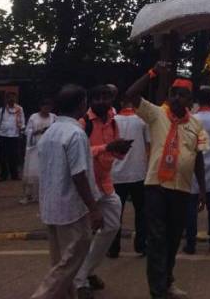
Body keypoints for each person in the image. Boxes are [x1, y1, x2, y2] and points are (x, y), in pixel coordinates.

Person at [123, 63, 209, 299]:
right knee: (157, 239)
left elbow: (199, 156)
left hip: (181, 189)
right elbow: (130, 95)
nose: (178, 99)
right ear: (169, 96)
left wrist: (201, 189)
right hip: (156, 187)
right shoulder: (156, 114)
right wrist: (152, 74)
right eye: (174, 94)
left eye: (184, 95)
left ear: (191, 100)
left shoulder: (196, 125)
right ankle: (158, 292)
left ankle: (167, 282)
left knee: (172, 239)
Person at [29, 85, 103, 299]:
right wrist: (94, 208)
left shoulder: (50, 132)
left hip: (51, 207)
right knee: (68, 264)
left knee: (60, 263)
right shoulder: (75, 134)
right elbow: (78, 174)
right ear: (81, 104)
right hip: (71, 210)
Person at [74, 85, 132, 298]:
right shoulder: (83, 123)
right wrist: (106, 149)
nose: (101, 101)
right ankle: (80, 280)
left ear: (111, 99)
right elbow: (79, 153)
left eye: (105, 97)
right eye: (97, 97)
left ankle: (86, 272)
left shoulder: (113, 122)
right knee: (83, 235)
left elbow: (112, 155)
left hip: (105, 184)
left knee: (112, 226)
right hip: (85, 186)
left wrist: (120, 150)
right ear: (91, 100)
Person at [183, 88, 210, 254]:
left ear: (197, 101)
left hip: (193, 169)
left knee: (190, 209)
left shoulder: (191, 119)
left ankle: (190, 243)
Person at [109, 93, 151, 258]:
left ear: (120, 103)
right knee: (141, 212)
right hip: (138, 173)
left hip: (116, 173)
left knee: (115, 213)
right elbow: (148, 145)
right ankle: (141, 245)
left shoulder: (112, 122)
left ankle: (113, 247)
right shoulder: (141, 121)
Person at [21, 98, 57, 205]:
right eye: (44, 106)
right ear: (40, 107)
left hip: (49, 148)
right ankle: (29, 195)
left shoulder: (54, 117)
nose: (46, 108)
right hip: (34, 147)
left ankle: (44, 195)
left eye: (49, 106)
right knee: (32, 171)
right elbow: (27, 131)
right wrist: (39, 131)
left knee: (46, 172)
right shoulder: (34, 117)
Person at [0, 92, 25, 181]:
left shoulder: (20, 109)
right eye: (9, 97)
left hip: (14, 135)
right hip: (3, 135)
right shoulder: (2, 109)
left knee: (14, 156)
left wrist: (21, 131)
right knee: (2, 156)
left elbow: (22, 121)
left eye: (13, 97)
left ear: (15, 99)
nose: (11, 99)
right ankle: (3, 175)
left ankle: (14, 175)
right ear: (6, 99)